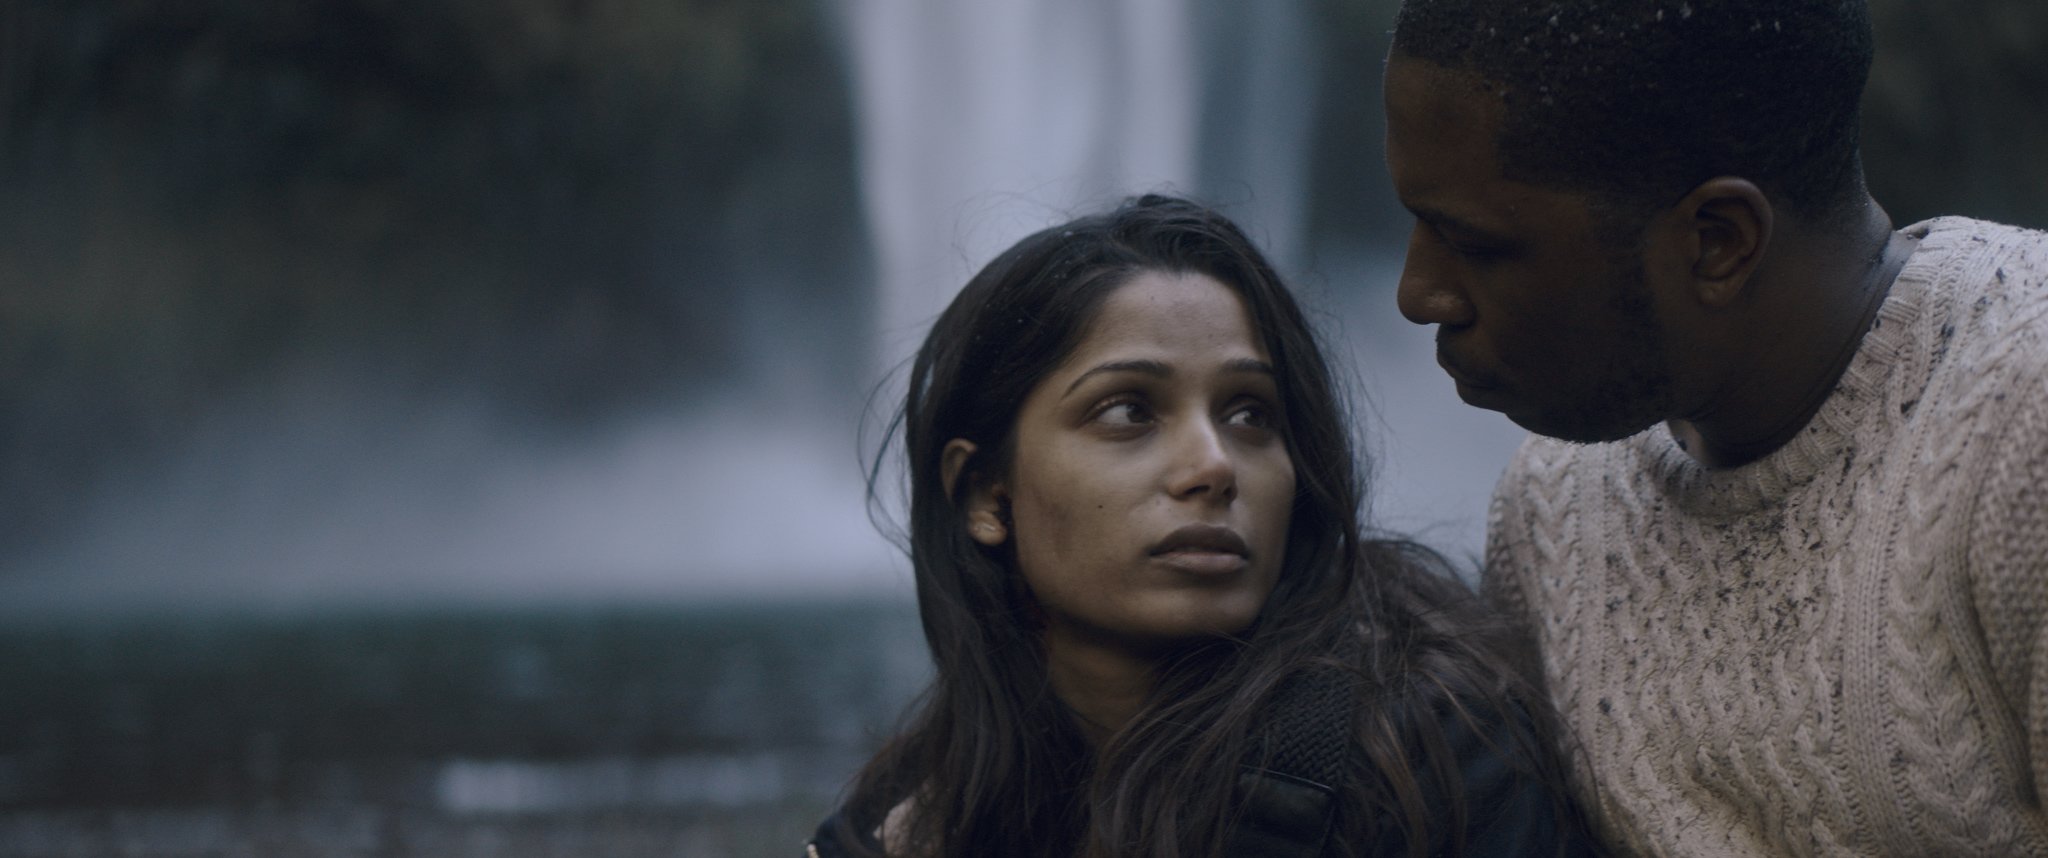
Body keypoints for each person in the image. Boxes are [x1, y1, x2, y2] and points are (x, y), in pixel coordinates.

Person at [1383, 0, 2048, 855]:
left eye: (1474, 244)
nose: (1417, 294)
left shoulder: (2021, 433)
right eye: (1414, 219)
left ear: (1719, 241)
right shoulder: (1552, 506)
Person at [808, 195, 1600, 857]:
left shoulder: (1433, 756)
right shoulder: (912, 814)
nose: (1214, 465)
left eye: (1251, 413)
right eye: (1128, 411)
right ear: (985, 495)